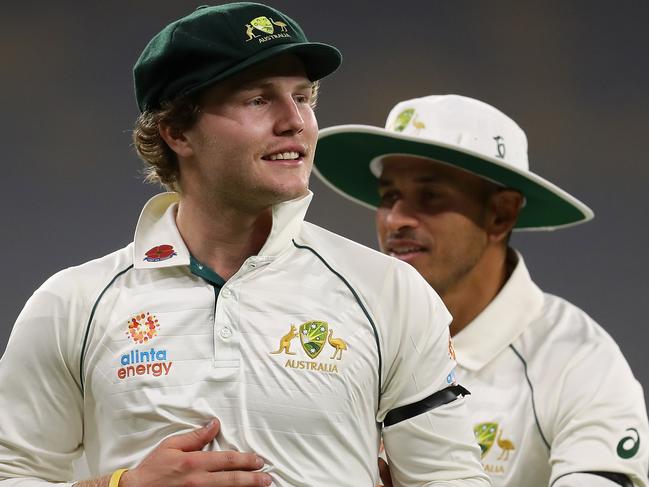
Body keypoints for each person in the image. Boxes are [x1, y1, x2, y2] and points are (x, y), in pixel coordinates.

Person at [0, 5, 491, 487]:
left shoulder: (390, 292)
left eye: (303, 97)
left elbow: (449, 478)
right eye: (258, 99)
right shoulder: (73, 304)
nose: (294, 121)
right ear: (176, 131)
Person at [314, 94, 649, 487]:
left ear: (501, 214)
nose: (396, 219)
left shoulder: (580, 362)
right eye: (389, 196)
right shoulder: (334, 337)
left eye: (431, 195)